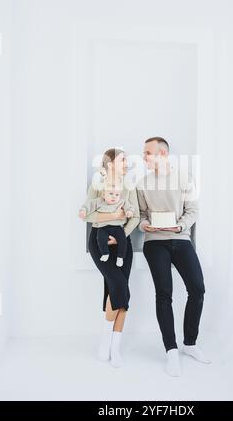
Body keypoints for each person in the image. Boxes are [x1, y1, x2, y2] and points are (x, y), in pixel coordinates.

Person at [137, 136, 211, 377]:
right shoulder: (142, 183)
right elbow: (140, 215)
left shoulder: (183, 179)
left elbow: (193, 210)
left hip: (180, 238)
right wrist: (145, 225)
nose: (144, 157)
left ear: (163, 154)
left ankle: (190, 344)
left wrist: (180, 227)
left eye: (148, 152)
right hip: (155, 243)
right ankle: (171, 350)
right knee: (164, 293)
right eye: (144, 153)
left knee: (197, 288)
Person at [78, 148, 139, 367]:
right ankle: (105, 342)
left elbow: (136, 216)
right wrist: (114, 215)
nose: (127, 163)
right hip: (99, 240)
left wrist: (120, 235)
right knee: (119, 286)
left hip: (122, 243)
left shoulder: (129, 186)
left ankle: (114, 347)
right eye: (123, 160)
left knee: (118, 290)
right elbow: (89, 214)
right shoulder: (97, 184)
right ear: (111, 163)